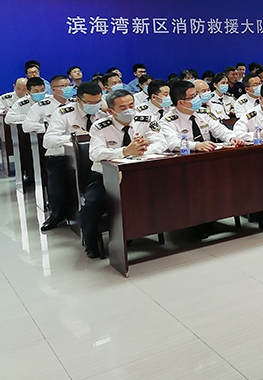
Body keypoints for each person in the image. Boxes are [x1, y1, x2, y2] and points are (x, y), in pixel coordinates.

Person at [80, 89, 166, 257]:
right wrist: (125, 151)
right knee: (92, 203)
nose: (128, 110)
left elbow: (161, 143)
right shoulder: (100, 126)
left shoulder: (146, 120)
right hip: (105, 177)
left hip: (139, 174)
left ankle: (134, 233)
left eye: (131, 105)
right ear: (111, 111)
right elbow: (95, 154)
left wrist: (141, 151)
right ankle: (90, 241)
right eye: (122, 107)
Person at [40, 81, 108, 231]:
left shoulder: (104, 113)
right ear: (78, 100)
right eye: (90, 103)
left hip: (95, 156)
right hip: (64, 156)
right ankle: (56, 214)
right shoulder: (64, 113)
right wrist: (74, 138)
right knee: (57, 172)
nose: (94, 105)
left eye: (98, 101)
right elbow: (48, 141)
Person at [160, 80, 243, 152]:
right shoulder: (167, 121)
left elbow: (218, 129)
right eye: (193, 97)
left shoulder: (203, 113)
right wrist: (196, 146)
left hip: (208, 154)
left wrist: (231, 138)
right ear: (181, 102)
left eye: (196, 94)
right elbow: (173, 143)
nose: (197, 98)